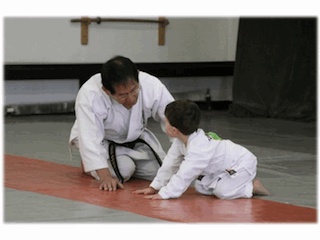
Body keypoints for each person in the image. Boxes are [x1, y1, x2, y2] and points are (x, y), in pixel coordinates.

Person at [69, 56, 174, 191]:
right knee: (123, 171)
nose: (130, 99)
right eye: (122, 95)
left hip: (133, 137)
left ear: (138, 76)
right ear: (106, 91)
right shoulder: (90, 93)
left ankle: (126, 160)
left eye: (134, 90)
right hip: (102, 140)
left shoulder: (151, 84)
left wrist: (189, 149)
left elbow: (173, 118)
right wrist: (105, 176)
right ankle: (89, 165)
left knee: (164, 174)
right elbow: (90, 137)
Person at [133, 100, 270, 200]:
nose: (164, 124)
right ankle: (235, 183)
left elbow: (184, 175)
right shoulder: (180, 141)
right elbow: (170, 164)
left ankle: (251, 188)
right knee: (201, 187)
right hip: (221, 169)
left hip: (242, 163)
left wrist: (165, 193)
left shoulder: (198, 149)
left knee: (222, 192)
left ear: (174, 130)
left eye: (166, 122)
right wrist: (154, 187)